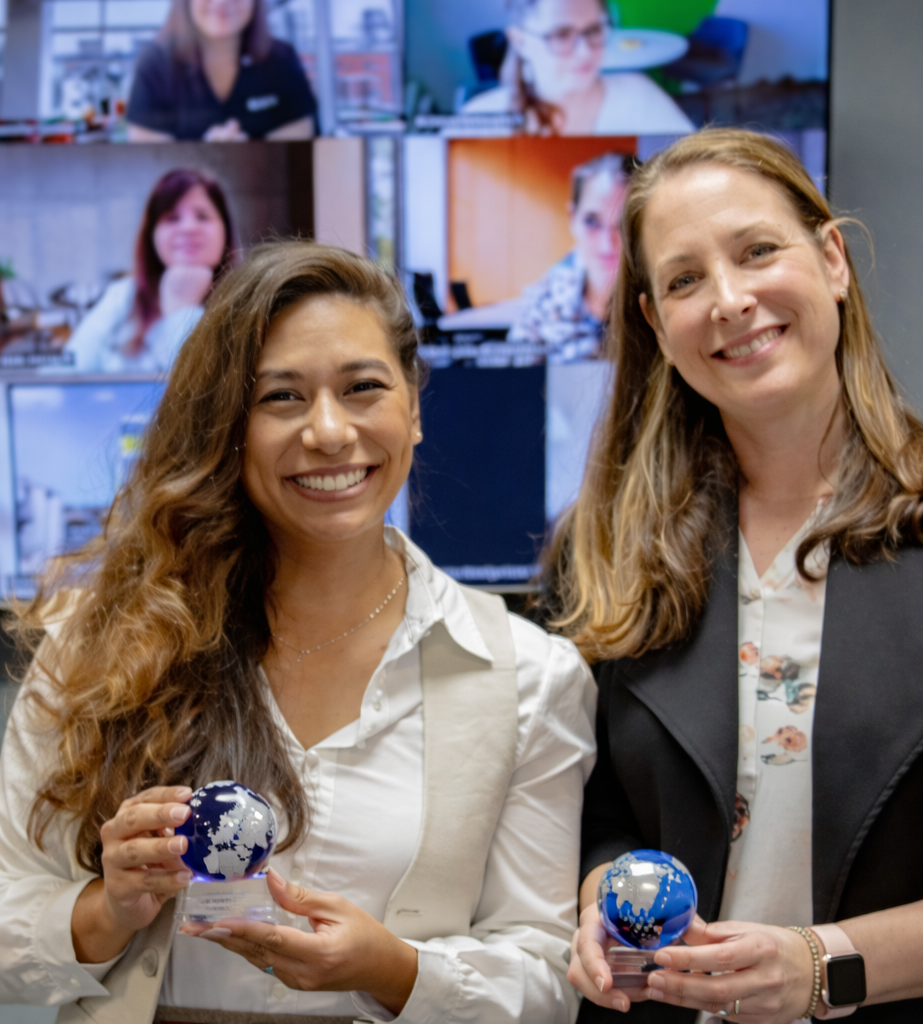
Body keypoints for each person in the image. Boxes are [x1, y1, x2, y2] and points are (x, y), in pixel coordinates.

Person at [0, 242, 596, 1022]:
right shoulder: (98, 649)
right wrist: (106, 910)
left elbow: (548, 980)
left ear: (414, 409)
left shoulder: (530, 678)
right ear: (229, 425)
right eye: (281, 397)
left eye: (363, 388)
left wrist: (395, 971)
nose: (328, 431)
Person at [541, 128, 923, 1021]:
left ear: (833, 259)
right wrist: (606, 903)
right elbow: (600, 815)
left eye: (758, 251)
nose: (730, 300)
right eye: (685, 280)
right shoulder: (604, 554)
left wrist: (822, 966)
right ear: (656, 324)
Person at [61, 168, 235, 374]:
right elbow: (66, 372)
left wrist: (181, 311)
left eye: (202, 216)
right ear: (152, 234)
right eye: (172, 218)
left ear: (225, 229)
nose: (188, 227)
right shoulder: (123, 295)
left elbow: (204, 386)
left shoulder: (248, 303)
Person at [460, 0, 695, 136]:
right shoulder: (478, 122)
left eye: (593, 30)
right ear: (520, 41)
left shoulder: (640, 99)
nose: (585, 51)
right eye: (562, 34)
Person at [127, 0, 317, 141]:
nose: (222, 1)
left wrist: (249, 155)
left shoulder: (281, 59)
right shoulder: (155, 64)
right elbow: (146, 146)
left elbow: (300, 136)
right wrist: (208, 156)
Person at [509, 151, 631, 363]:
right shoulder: (540, 307)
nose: (607, 244)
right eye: (592, 222)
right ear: (572, 218)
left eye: (624, 224)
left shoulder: (664, 301)